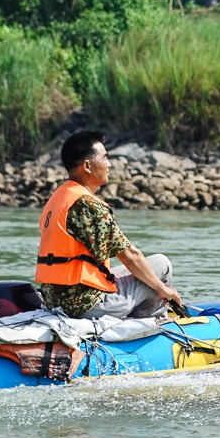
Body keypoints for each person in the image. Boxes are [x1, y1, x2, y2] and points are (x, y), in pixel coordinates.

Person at [35, 131, 183, 321]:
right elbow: (130, 256)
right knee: (161, 265)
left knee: (143, 270)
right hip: (86, 305)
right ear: (87, 166)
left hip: (55, 300)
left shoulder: (58, 199)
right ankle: (152, 323)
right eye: (105, 157)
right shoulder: (87, 204)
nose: (110, 164)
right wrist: (163, 289)